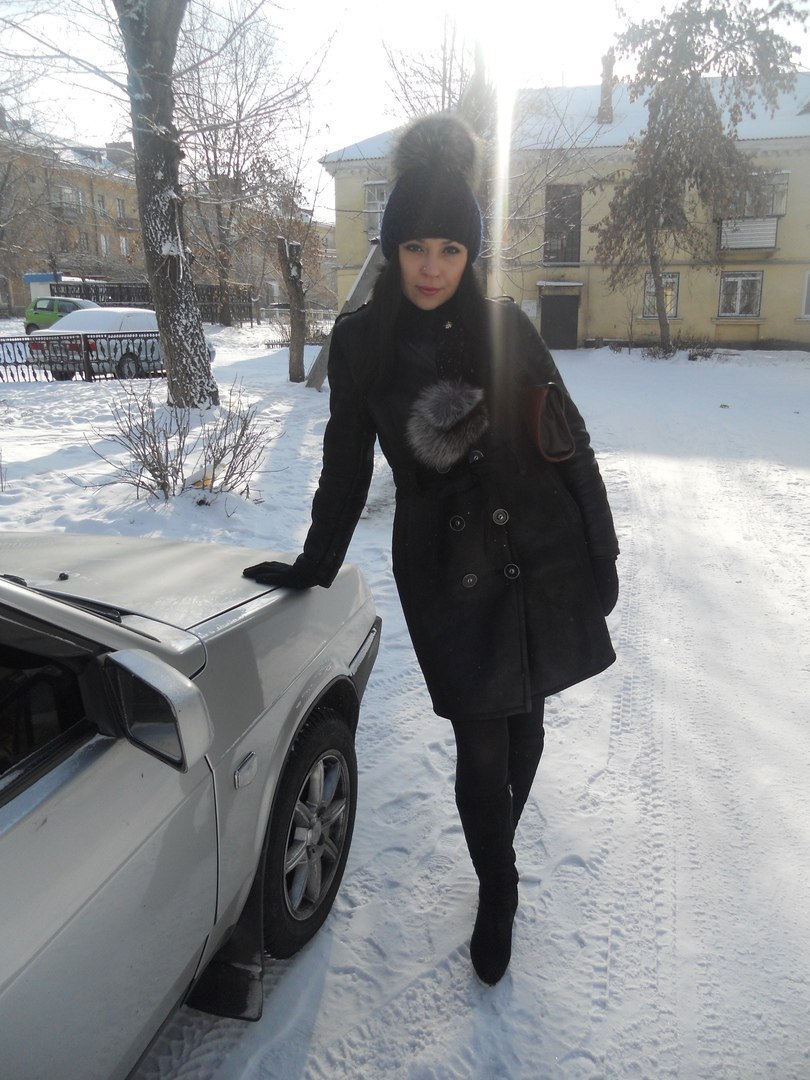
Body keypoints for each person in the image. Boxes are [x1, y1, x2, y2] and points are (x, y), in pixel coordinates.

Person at [243, 113, 619, 986]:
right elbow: (345, 467)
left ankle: (496, 849)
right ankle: (499, 887)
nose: (431, 266)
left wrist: (601, 552)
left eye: (450, 248)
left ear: (469, 252)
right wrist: (314, 562)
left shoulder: (506, 326)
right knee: (481, 745)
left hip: (541, 549)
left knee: (526, 726)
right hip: (449, 574)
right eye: (416, 246)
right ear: (393, 247)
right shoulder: (361, 342)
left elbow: (570, 444)